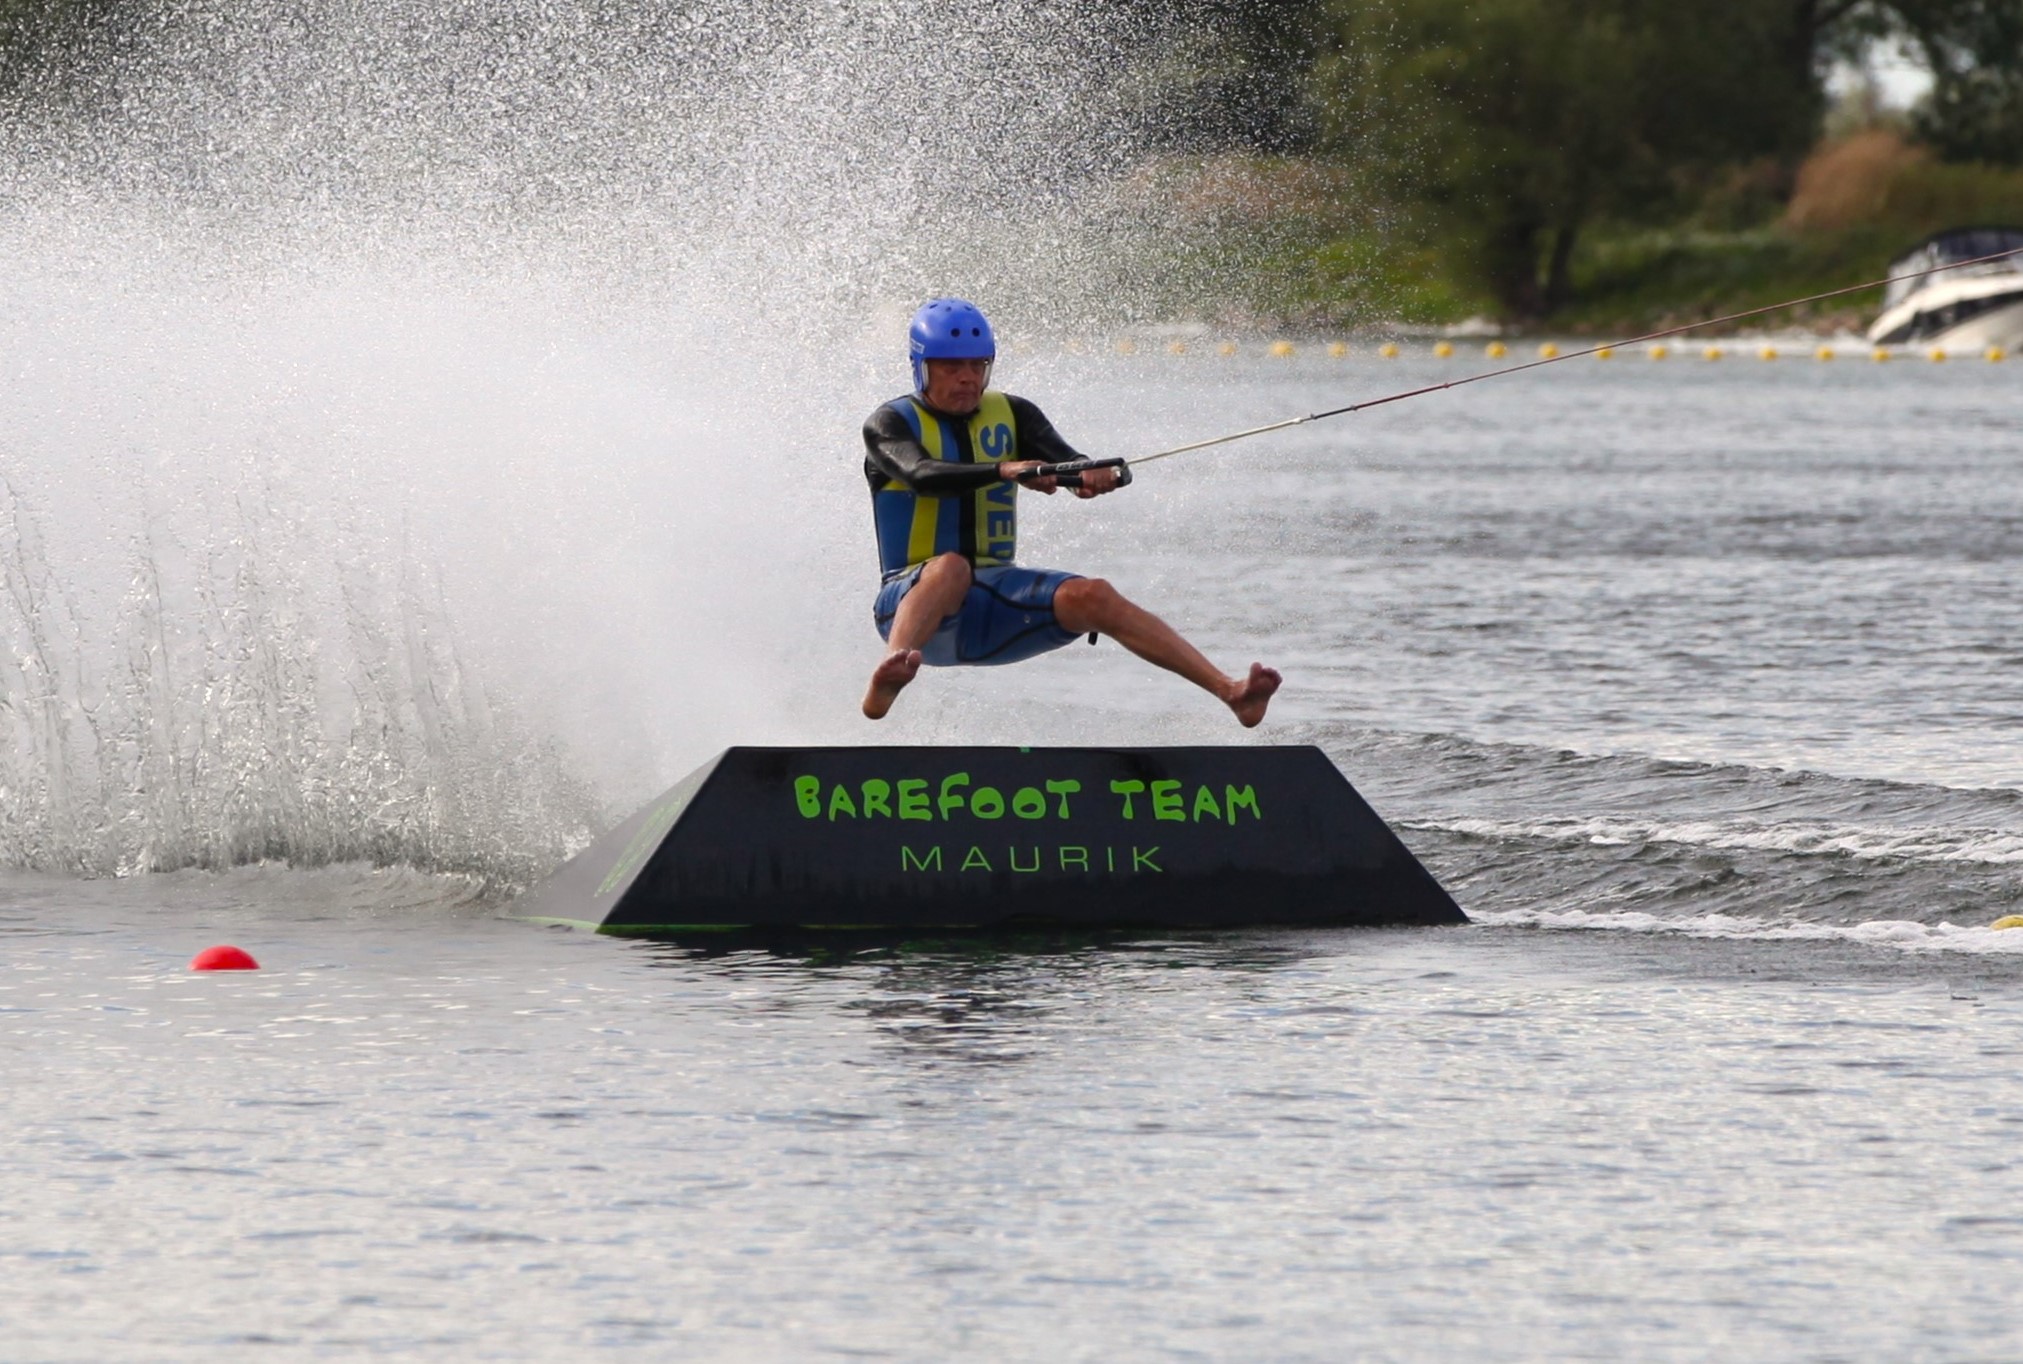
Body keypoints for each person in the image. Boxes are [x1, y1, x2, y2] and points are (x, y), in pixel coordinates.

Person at [861, 297, 1281, 725]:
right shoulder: (889, 424)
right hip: (910, 607)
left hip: (993, 607)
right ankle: (889, 677)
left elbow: (1067, 460)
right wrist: (1006, 469)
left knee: (1094, 594)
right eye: (952, 367)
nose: (968, 378)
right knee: (950, 567)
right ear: (923, 367)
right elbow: (921, 474)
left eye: (978, 365)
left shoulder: (1014, 413)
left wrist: (1088, 473)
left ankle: (1233, 694)